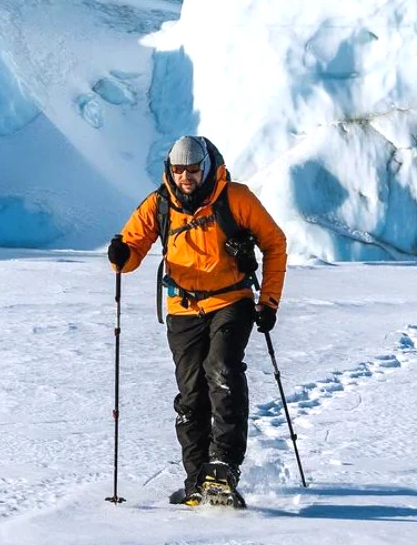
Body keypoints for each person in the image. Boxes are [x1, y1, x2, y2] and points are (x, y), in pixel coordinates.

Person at [107, 135, 287, 506]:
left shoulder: (235, 197)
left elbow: (274, 243)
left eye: (192, 169)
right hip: (183, 308)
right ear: (170, 171)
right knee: (191, 394)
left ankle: (223, 468)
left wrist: (268, 301)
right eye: (179, 170)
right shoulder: (159, 204)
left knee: (222, 371)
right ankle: (196, 479)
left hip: (231, 299)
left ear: (205, 167)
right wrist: (120, 256)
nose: (186, 177)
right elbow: (131, 250)